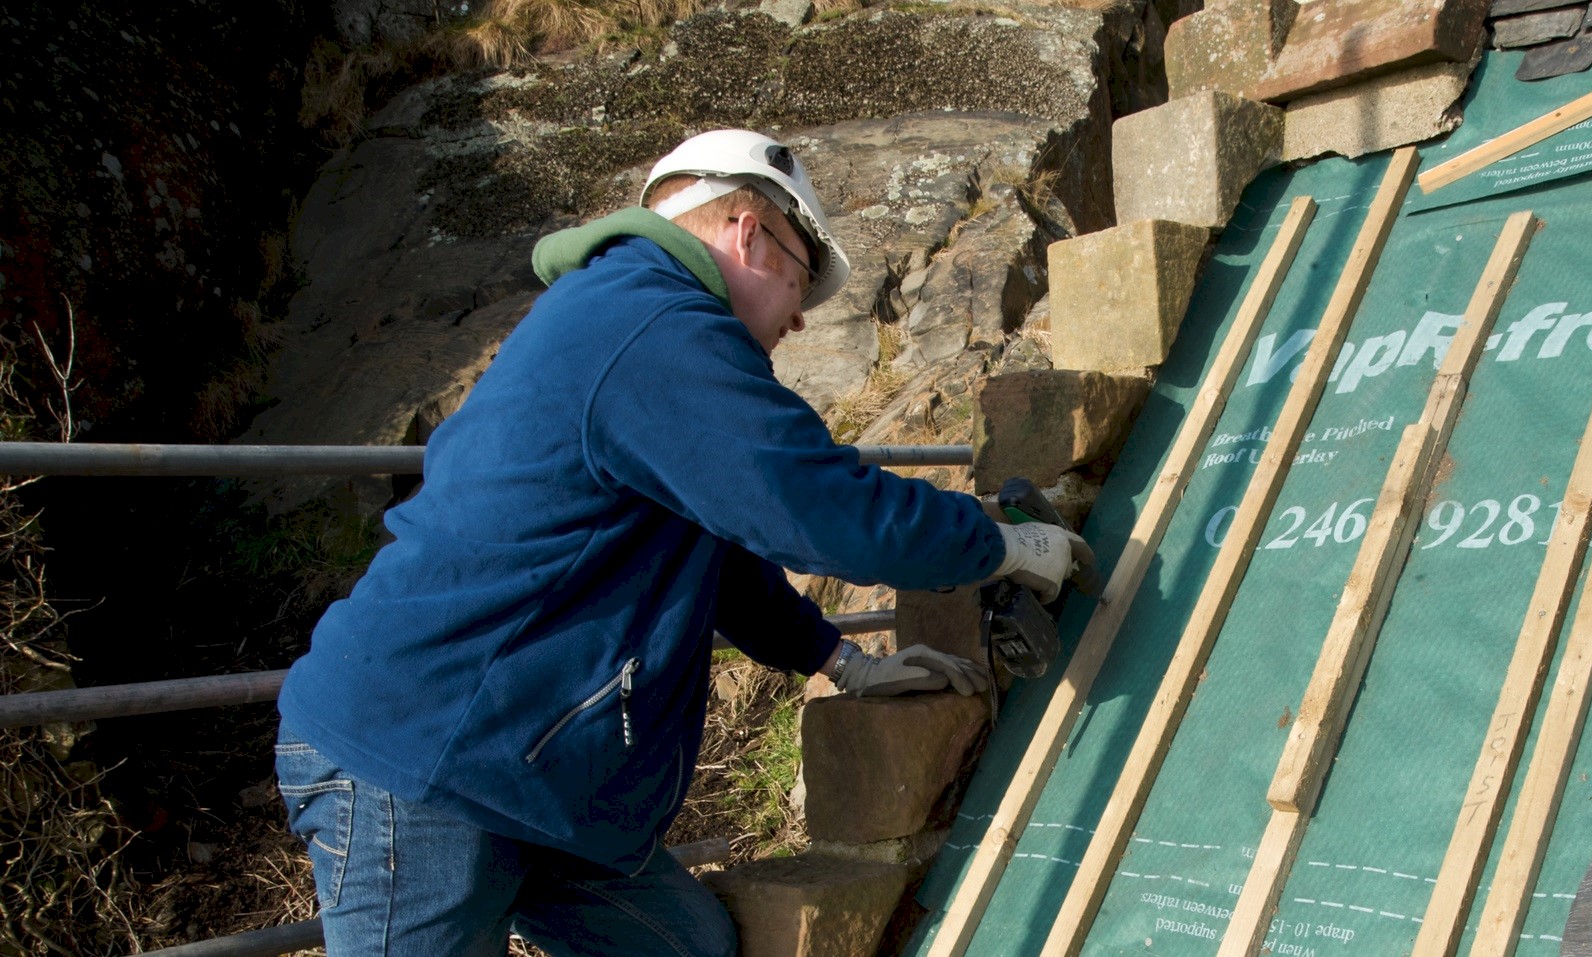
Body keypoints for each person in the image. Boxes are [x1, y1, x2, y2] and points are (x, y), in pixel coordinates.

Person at [272, 129, 1090, 956]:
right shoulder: (651, 323)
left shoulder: (624, 315)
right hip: (421, 761)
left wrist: (839, 660)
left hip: (525, 768)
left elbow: (715, 548)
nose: (800, 318)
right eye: (803, 280)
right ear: (748, 234)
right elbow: (812, 504)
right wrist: (998, 548)